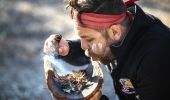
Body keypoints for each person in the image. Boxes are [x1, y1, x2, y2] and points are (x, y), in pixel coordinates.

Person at [44, 0, 170, 100]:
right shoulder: (123, 25)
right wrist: (69, 48)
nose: (83, 47)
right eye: (81, 38)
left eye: (88, 39)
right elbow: (97, 43)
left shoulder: (155, 60)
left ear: (115, 31)